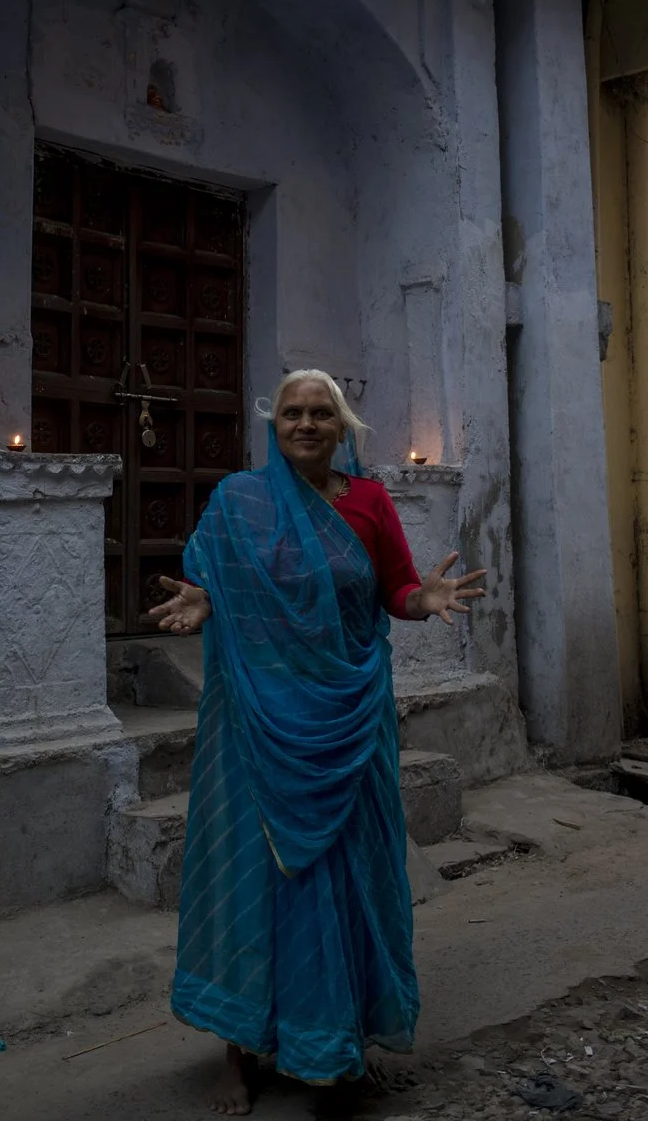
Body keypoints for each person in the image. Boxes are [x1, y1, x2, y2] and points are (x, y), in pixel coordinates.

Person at [149, 370, 487, 1116]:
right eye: (292, 414)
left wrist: (423, 598)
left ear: (342, 427)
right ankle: (237, 1051)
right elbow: (216, 586)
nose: (305, 424)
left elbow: (396, 590)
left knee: (349, 876)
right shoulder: (239, 501)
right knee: (254, 877)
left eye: (320, 413)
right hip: (258, 724)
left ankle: (331, 1045)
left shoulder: (369, 503)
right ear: (274, 427)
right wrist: (204, 600)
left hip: (349, 718)